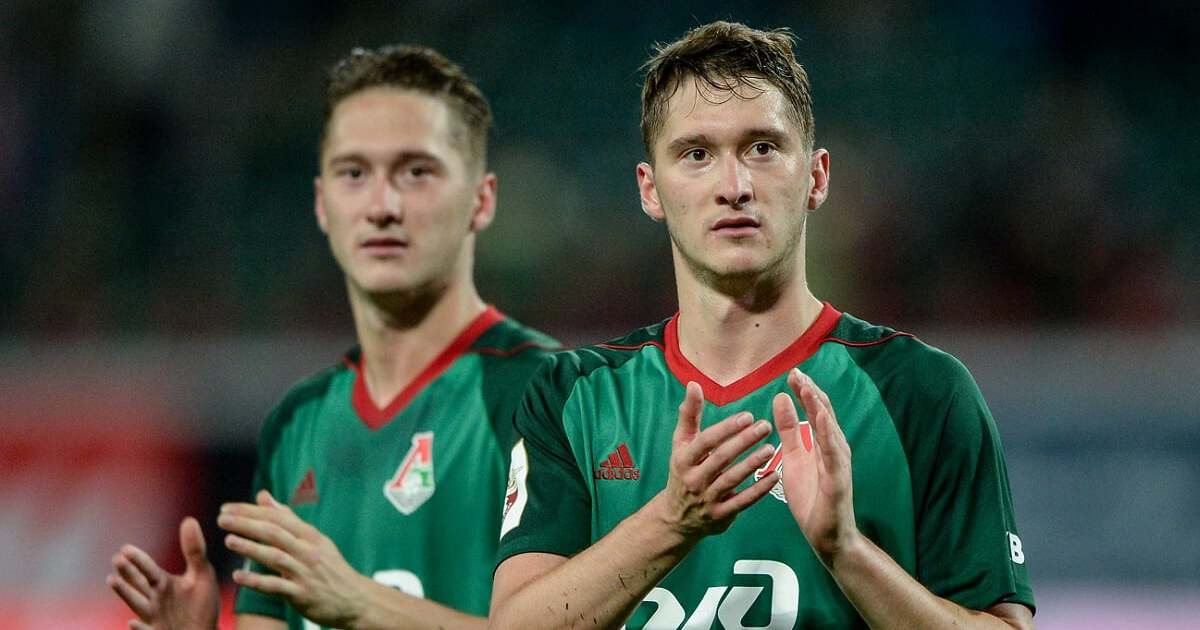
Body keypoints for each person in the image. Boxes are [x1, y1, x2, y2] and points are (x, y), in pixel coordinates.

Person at [490, 21, 1035, 630]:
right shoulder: (573, 397)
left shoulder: (921, 391)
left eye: (763, 149)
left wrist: (847, 553)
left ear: (816, 177)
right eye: (696, 155)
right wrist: (670, 522)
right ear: (650, 190)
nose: (735, 187)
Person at [106, 44, 558, 630]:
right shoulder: (297, 423)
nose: (382, 206)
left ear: (482, 199)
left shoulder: (549, 393)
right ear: (322, 204)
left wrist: (360, 603)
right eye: (354, 174)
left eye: (416, 172)